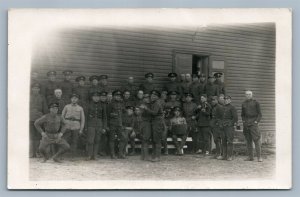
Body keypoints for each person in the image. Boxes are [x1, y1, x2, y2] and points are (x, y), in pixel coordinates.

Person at [140, 90, 164, 162]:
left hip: (157, 123)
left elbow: (154, 113)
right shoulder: (151, 103)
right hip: (153, 123)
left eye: (154, 96)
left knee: (157, 140)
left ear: (157, 97)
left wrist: (146, 108)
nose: (152, 97)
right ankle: (152, 156)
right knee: (153, 140)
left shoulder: (157, 103)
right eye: (152, 96)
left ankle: (157, 157)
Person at [61, 93, 85, 157]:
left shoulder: (80, 108)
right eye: (73, 98)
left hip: (76, 126)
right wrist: (64, 124)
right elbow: (62, 117)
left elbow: (83, 120)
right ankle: (63, 154)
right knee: (65, 140)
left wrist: (81, 129)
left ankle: (73, 155)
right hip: (67, 126)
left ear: (78, 100)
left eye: (76, 98)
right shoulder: (66, 106)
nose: (74, 100)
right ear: (70, 99)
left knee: (75, 141)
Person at [241, 90, 263, 162]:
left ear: (252, 95)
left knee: (256, 140)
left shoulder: (256, 103)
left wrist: (256, 121)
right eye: (247, 94)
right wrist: (244, 121)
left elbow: (260, 114)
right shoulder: (243, 103)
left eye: (249, 94)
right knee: (248, 140)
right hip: (246, 123)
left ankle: (259, 157)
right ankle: (250, 157)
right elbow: (242, 114)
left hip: (253, 123)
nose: (248, 95)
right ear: (245, 95)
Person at [86, 91, 107, 160]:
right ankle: (89, 155)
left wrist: (104, 127)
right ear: (92, 97)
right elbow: (86, 117)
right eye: (95, 97)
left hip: (99, 124)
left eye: (97, 97)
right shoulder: (89, 105)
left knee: (97, 140)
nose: (96, 98)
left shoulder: (102, 105)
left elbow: (104, 117)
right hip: (91, 124)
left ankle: (95, 155)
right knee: (90, 141)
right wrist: (86, 127)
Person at [30, 82, 48, 158]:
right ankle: (32, 153)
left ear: (39, 89)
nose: (36, 89)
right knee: (31, 136)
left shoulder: (42, 97)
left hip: (39, 118)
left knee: (38, 136)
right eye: (34, 88)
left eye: (37, 88)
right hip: (30, 118)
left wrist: (44, 118)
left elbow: (45, 108)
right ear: (32, 89)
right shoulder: (28, 97)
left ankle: (37, 152)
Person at [107, 90, 125, 159]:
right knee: (112, 139)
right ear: (114, 96)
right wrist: (113, 115)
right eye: (117, 96)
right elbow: (107, 114)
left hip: (119, 124)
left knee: (123, 138)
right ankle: (112, 154)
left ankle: (120, 153)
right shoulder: (110, 104)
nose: (118, 97)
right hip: (112, 124)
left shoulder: (121, 103)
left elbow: (123, 113)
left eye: (119, 96)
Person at [220, 95, 238, 161]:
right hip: (222, 126)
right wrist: (221, 124)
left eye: (227, 99)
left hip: (229, 127)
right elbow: (220, 117)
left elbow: (235, 118)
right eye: (225, 99)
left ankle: (230, 156)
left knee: (230, 141)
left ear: (230, 100)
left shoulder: (232, 108)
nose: (226, 100)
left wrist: (230, 124)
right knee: (223, 141)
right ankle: (224, 156)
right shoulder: (222, 107)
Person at [137, 93, 152, 161]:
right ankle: (145, 156)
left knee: (144, 140)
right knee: (145, 139)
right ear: (143, 99)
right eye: (146, 98)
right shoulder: (143, 106)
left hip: (145, 123)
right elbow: (141, 114)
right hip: (145, 123)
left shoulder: (148, 105)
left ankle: (142, 156)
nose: (147, 99)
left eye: (148, 98)